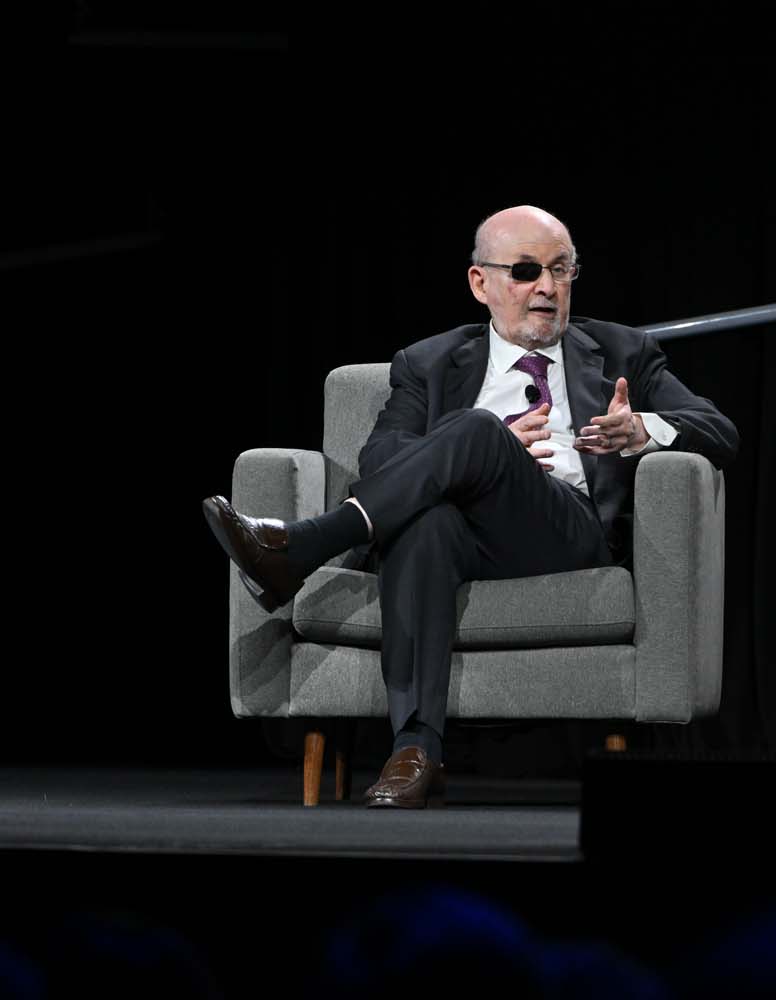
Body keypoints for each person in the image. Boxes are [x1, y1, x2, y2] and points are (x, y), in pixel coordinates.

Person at [204, 206, 738, 808]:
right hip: (460, 534)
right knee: (431, 514)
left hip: (564, 534)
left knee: (479, 432)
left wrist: (641, 428)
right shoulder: (428, 363)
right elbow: (382, 460)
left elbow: (719, 431)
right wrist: (481, 447)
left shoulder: (621, 351)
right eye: (527, 270)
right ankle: (415, 748)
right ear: (480, 282)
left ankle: (303, 546)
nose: (546, 287)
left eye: (562, 270)